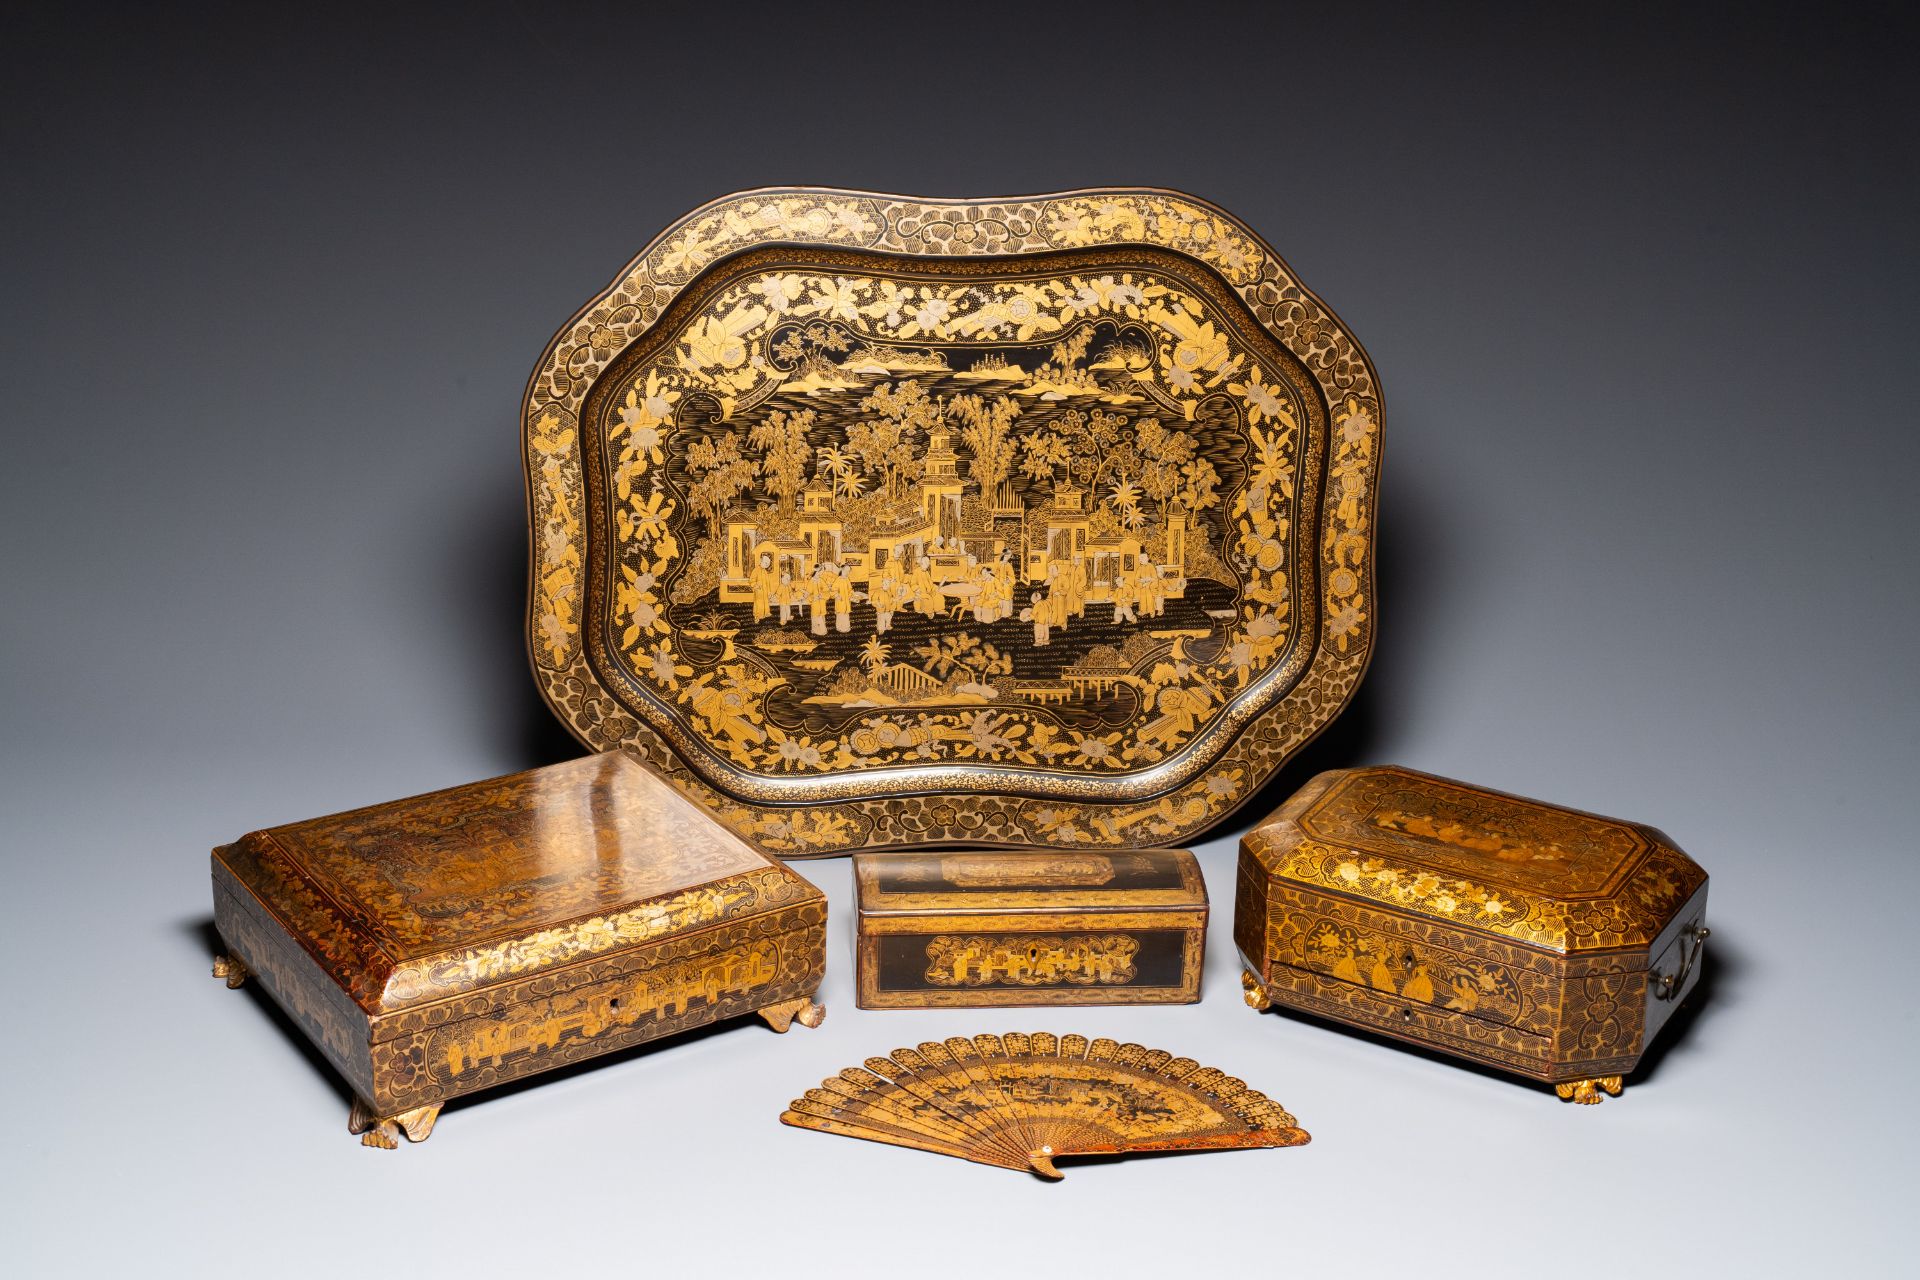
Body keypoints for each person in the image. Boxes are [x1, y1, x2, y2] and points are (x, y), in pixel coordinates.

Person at [833, 562, 854, 633]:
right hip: (840, 600)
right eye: (846, 571)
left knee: (846, 614)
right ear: (842, 570)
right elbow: (834, 589)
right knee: (840, 614)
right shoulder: (838, 579)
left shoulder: (847, 579)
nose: (847, 573)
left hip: (846, 600)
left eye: (848, 571)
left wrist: (852, 594)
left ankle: (846, 627)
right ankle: (839, 627)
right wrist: (837, 595)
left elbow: (850, 589)